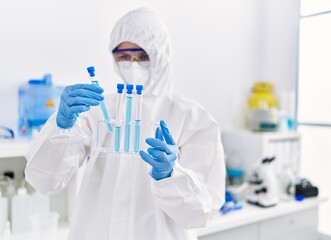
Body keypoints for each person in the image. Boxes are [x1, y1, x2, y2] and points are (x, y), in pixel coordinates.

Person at [25, 7, 225, 240]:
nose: (133, 64)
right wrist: (62, 126)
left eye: (142, 56)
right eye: (124, 56)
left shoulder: (192, 119)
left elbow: (203, 212)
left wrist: (170, 175)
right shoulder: (99, 111)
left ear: (161, 56)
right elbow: (46, 181)